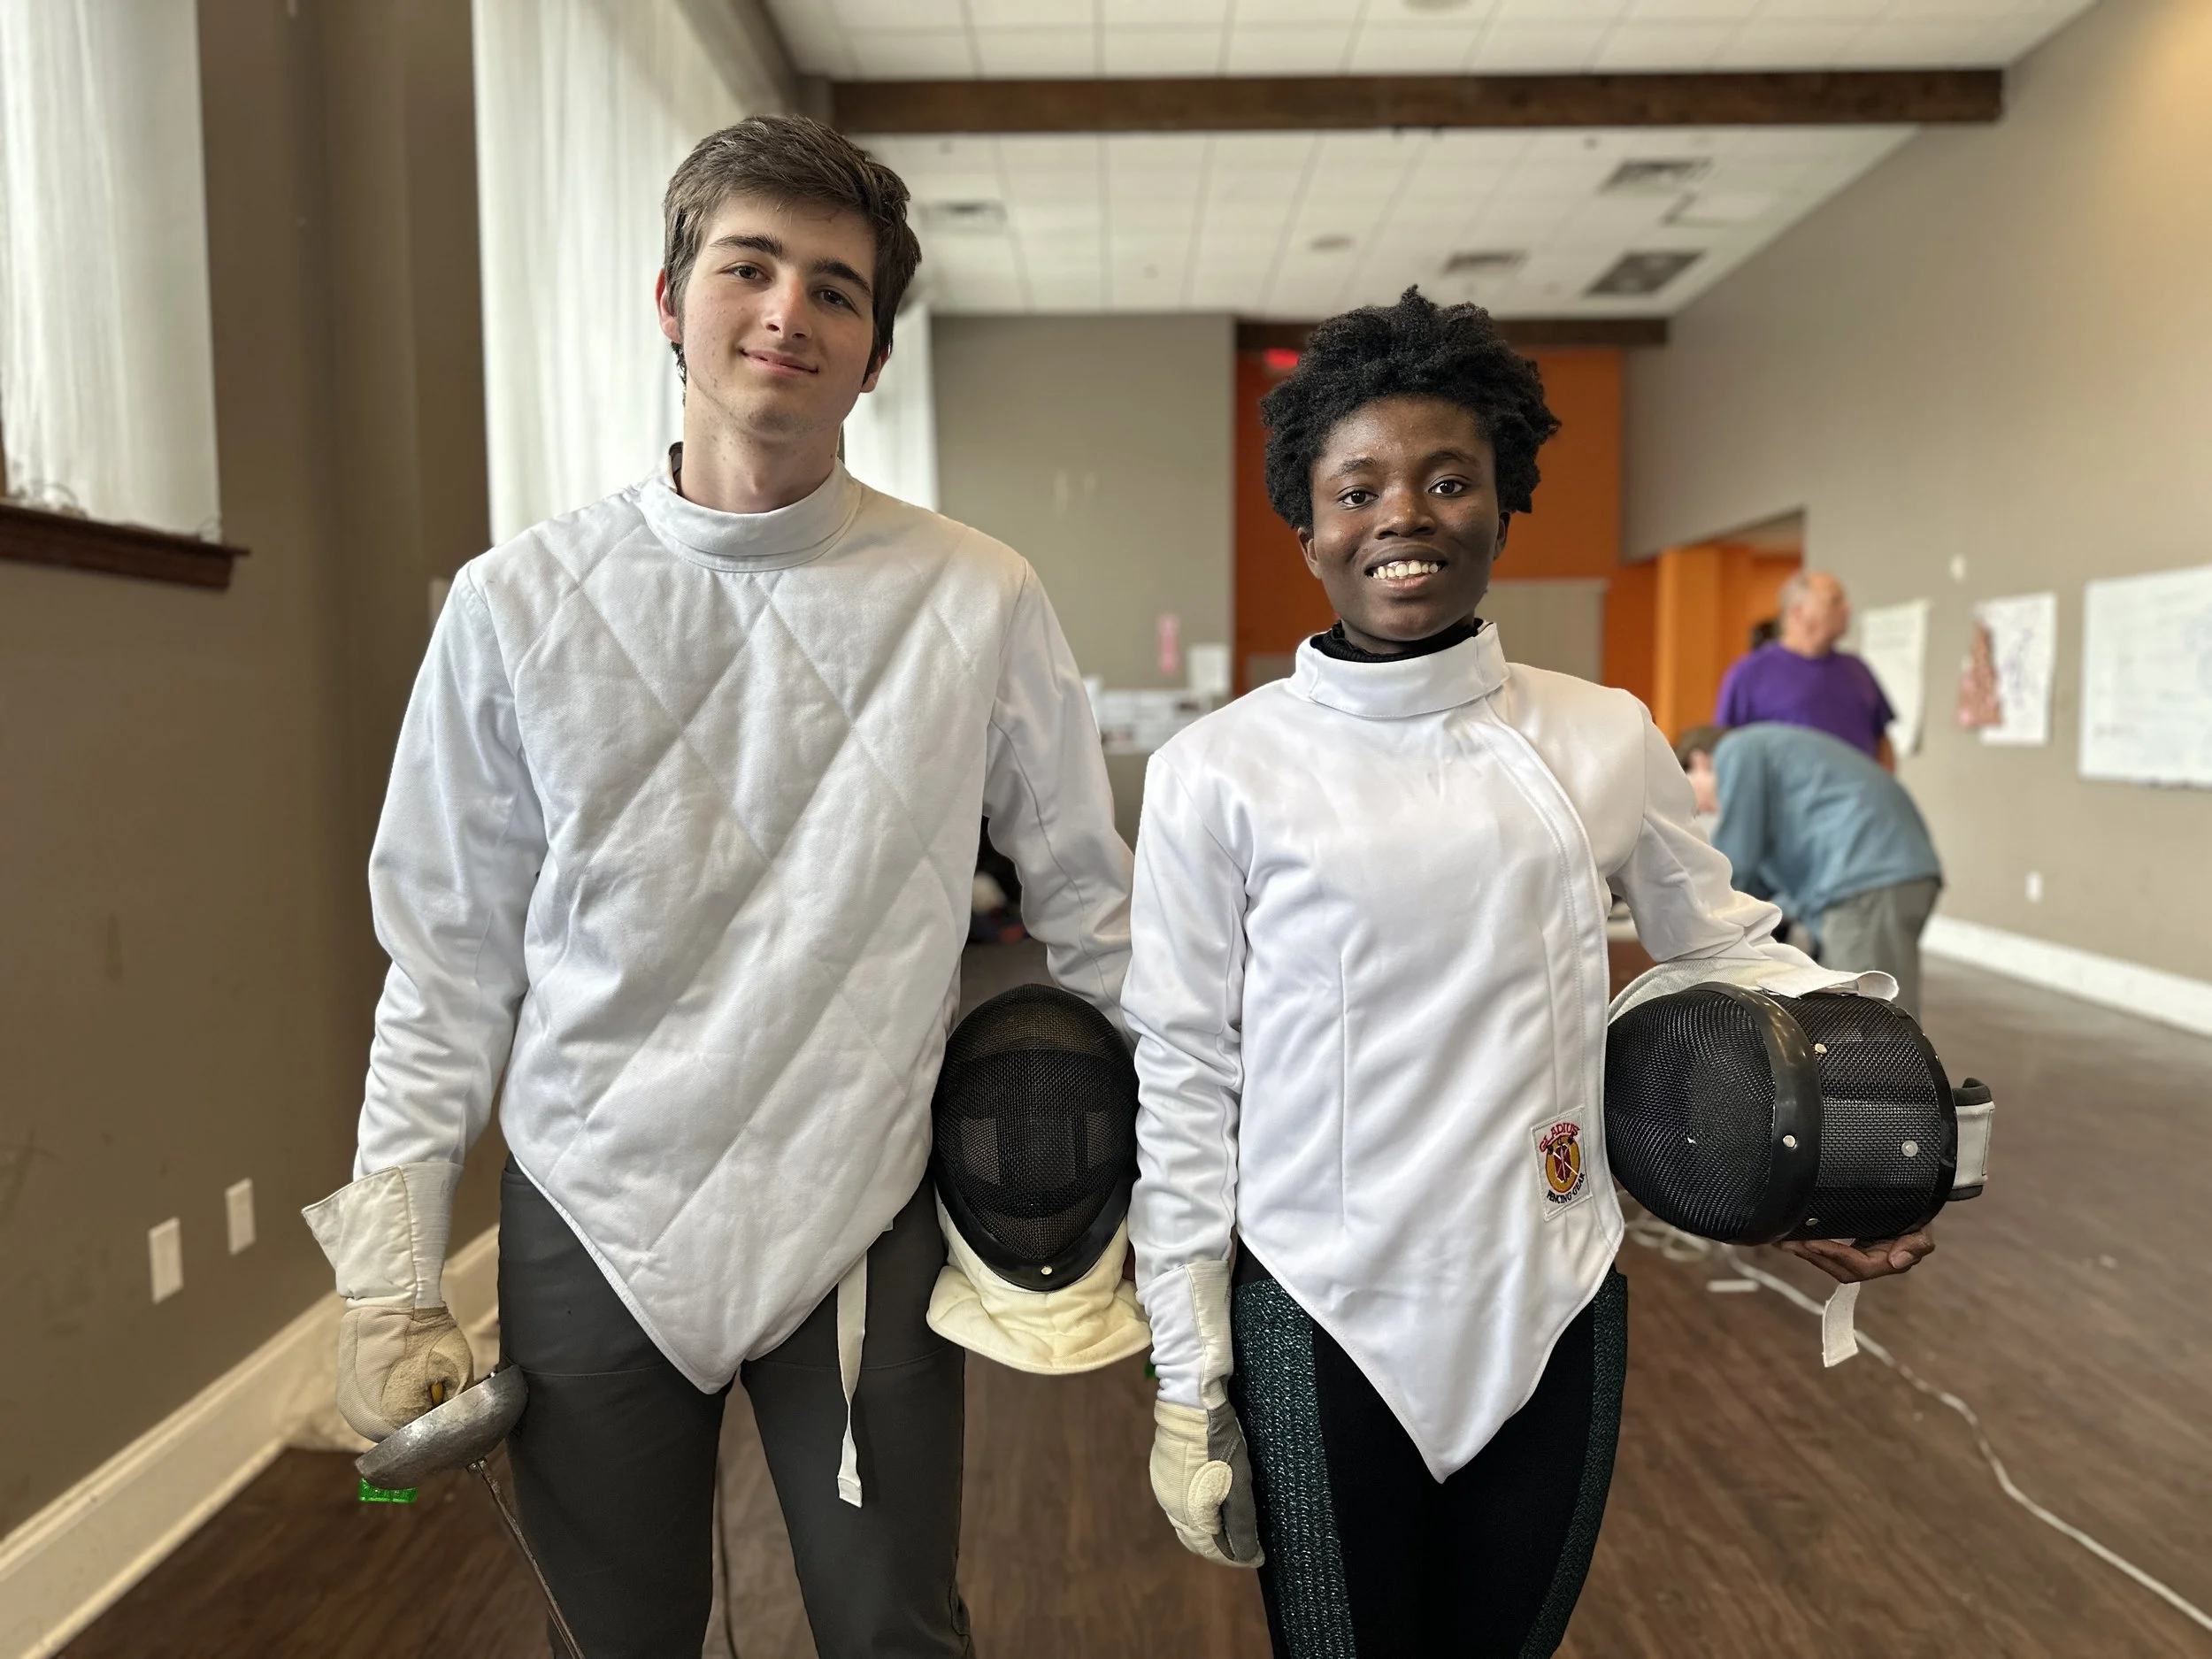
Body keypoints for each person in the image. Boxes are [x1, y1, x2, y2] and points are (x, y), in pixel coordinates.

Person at [301, 115, 1133, 1659]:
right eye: (748, 268)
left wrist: (1157, 1200)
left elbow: (1093, 914)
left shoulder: (977, 592)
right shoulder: (516, 603)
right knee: (613, 1643)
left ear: (876, 351)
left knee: (898, 1629)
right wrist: (391, 1276)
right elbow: (444, 966)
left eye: (837, 290)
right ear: (669, 299)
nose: (786, 315)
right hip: (597, 1209)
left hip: (861, 1198)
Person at [1124, 289, 1932, 1659]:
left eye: (1450, 479)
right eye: (1358, 485)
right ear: (1306, 519)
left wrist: (1849, 1159)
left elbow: (1725, 943)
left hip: (1552, 1289)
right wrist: (1188, 1367)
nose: (1406, 515)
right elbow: (1188, 1064)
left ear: (1505, 499)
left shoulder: (1601, 731)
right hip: (1321, 1299)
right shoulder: (1219, 768)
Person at [1676, 722, 1945, 1019]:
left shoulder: (1736, 750)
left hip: (1869, 877)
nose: (1706, 810)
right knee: (1863, 1010)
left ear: (1699, 761)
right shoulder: (1768, 751)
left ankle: (1893, 1069)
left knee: (1870, 1019)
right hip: (1888, 872)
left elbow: (1738, 855)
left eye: (1690, 794)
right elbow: (1759, 873)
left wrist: (1703, 921)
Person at [1716, 570, 1896, 765]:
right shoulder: (1749, 675)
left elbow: (1882, 742)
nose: (1846, 609)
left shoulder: (1858, 670)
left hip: (1858, 794)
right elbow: (1728, 751)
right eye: (1834, 602)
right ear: (1798, 612)